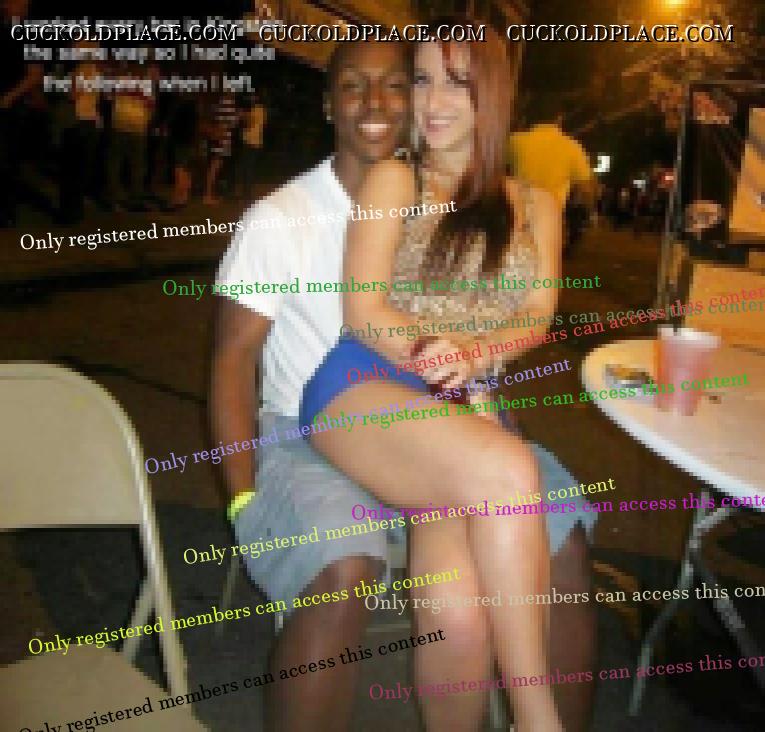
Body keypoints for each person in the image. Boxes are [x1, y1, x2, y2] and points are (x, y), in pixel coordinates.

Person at [214, 36, 595, 732]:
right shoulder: (394, 181)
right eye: (421, 81)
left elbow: (537, 316)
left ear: (493, 95)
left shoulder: (536, 204)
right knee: (510, 471)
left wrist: (476, 355)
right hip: (366, 385)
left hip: (460, 406)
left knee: (456, 615)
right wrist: (429, 350)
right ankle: (536, 718)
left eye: (455, 83)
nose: (432, 101)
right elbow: (362, 312)